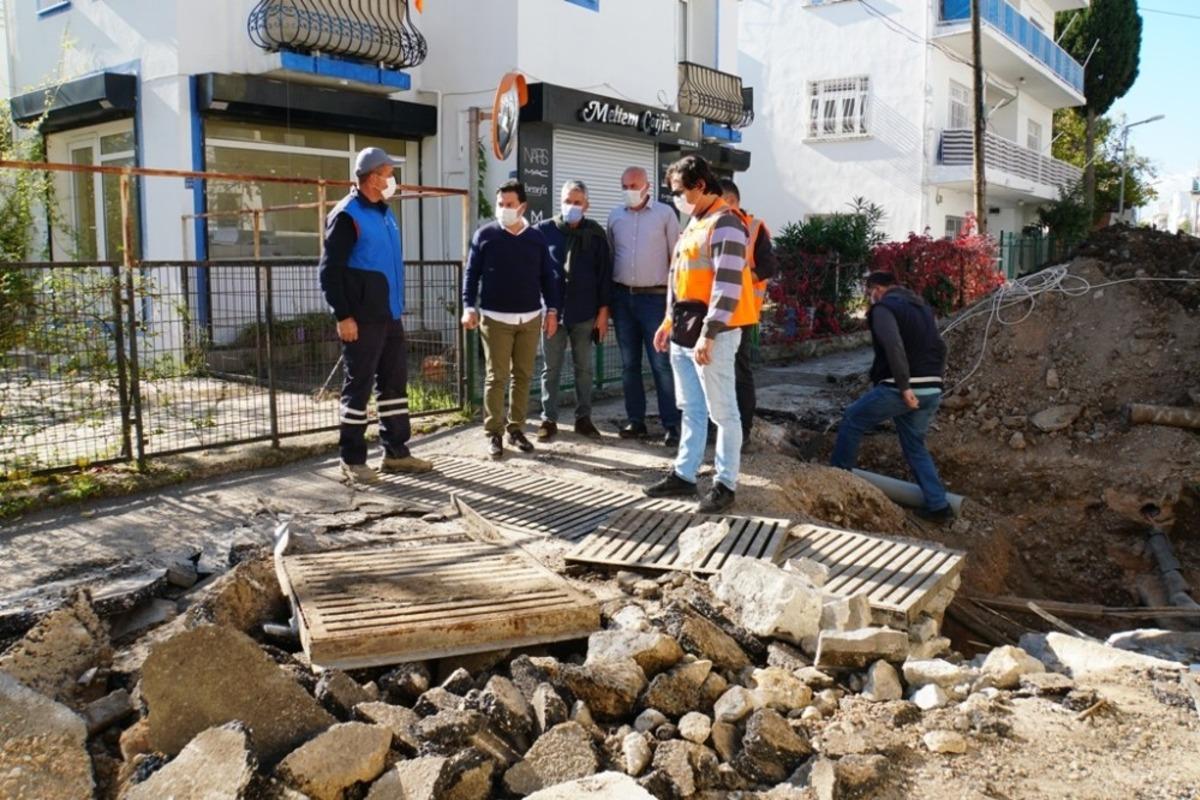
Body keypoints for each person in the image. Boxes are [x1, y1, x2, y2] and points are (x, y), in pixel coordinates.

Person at [644, 155, 757, 514]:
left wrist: (709, 335)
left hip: (713, 334)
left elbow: (727, 286)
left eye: (680, 191)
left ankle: (725, 483)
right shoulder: (695, 223)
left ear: (701, 187)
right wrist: (667, 322)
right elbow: (678, 280)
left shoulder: (726, 224)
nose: (675, 197)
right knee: (690, 409)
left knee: (723, 412)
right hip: (685, 329)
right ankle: (685, 474)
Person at [318, 147, 433, 484]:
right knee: (359, 388)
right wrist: (343, 316)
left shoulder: (385, 212)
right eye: (386, 172)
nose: (391, 179)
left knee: (394, 385)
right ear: (371, 177)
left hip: (389, 315)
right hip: (362, 318)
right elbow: (329, 272)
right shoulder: (347, 215)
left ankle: (396, 452)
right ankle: (352, 460)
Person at [830, 271, 952, 521]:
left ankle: (836, 483)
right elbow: (941, 346)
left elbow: (893, 345)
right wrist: (935, 380)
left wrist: (905, 386)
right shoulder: (921, 307)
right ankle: (940, 506)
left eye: (869, 293)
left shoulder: (884, 309)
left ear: (876, 289)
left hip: (902, 388)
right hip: (931, 388)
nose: (869, 298)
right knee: (914, 445)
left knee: (852, 419)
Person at [462, 179, 561, 460]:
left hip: (529, 318)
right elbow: (471, 275)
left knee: (523, 375)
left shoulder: (536, 238)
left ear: (522, 207)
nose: (504, 209)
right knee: (496, 376)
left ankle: (515, 428)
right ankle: (494, 432)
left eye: (510, 205)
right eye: (500, 204)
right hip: (494, 318)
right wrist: (469, 306)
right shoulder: (485, 235)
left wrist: (552, 311)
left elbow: (548, 278)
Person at [607, 166, 681, 447]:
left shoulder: (665, 214)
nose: (629, 190)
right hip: (623, 298)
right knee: (629, 365)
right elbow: (613, 254)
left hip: (655, 299)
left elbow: (677, 259)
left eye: (634, 185)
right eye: (625, 185)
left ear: (647, 186)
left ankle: (671, 424)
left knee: (661, 364)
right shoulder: (615, 216)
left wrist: (672, 305)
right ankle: (635, 421)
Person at [534, 180, 612, 441]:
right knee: (551, 368)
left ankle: (584, 418)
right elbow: (536, 274)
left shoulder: (596, 234)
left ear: (586, 205)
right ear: (560, 202)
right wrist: (546, 310)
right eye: (568, 201)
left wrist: (603, 313)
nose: (572, 206)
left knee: (584, 368)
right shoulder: (544, 231)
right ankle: (548, 419)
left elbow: (604, 276)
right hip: (553, 313)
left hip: (585, 313)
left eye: (577, 202)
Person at [719, 178, 778, 442]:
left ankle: (742, 429)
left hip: (741, 313)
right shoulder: (708, 226)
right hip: (714, 312)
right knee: (716, 371)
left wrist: (741, 277)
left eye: (721, 202)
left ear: (733, 201)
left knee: (740, 370)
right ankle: (719, 428)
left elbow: (767, 267)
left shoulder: (754, 228)